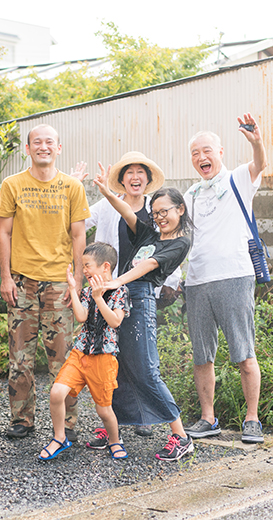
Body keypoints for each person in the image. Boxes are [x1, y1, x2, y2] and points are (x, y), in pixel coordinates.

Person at [93, 163, 195, 461]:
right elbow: (127, 213)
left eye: (166, 211)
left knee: (147, 370)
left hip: (139, 300)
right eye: (156, 213)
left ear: (180, 210)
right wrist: (105, 191)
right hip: (122, 298)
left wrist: (116, 281)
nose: (161, 217)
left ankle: (181, 436)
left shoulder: (179, 242)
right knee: (120, 367)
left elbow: (147, 266)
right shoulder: (151, 234)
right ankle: (116, 427)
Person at [0, 124, 90, 439]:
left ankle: (67, 423)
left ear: (59, 148)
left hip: (59, 284)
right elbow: (4, 233)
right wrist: (6, 276)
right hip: (22, 282)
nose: (43, 147)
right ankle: (22, 420)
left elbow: (79, 235)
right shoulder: (12, 185)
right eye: (37, 142)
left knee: (63, 359)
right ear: (28, 149)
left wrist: (77, 280)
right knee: (19, 357)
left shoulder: (72, 187)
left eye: (49, 142)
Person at [182, 113, 268, 444]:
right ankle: (208, 418)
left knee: (244, 352)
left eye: (207, 150)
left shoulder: (238, 180)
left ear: (220, 151)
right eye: (195, 153)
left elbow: (259, 164)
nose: (201, 157)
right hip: (198, 280)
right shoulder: (190, 195)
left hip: (235, 275)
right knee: (202, 355)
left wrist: (257, 142)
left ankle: (252, 419)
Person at [83, 151, 178, 438]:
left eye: (141, 172)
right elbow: (78, 223)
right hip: (110, 291)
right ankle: (115, 422)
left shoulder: (155, 209)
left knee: (141, 360)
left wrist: (172, 280)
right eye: (129, 172)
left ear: (148, 180)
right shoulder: (107, 205)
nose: (135, 177)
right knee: (114, 356)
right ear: (121, 180)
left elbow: (168, 245)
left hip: (142, 289)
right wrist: (75, 187)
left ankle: (145, 418)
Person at [38, 243, 130, 460]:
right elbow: (81, 316)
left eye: (87, 265)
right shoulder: (88, 291)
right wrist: (72, 287)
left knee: (103, 410)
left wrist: (99, 297)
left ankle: (115, 440)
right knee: (56, 393)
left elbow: (115, 321)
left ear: (105, 266)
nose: (85, 270)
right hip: (80, 353)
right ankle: (59, 437)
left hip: (104, 357)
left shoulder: (120, 291)